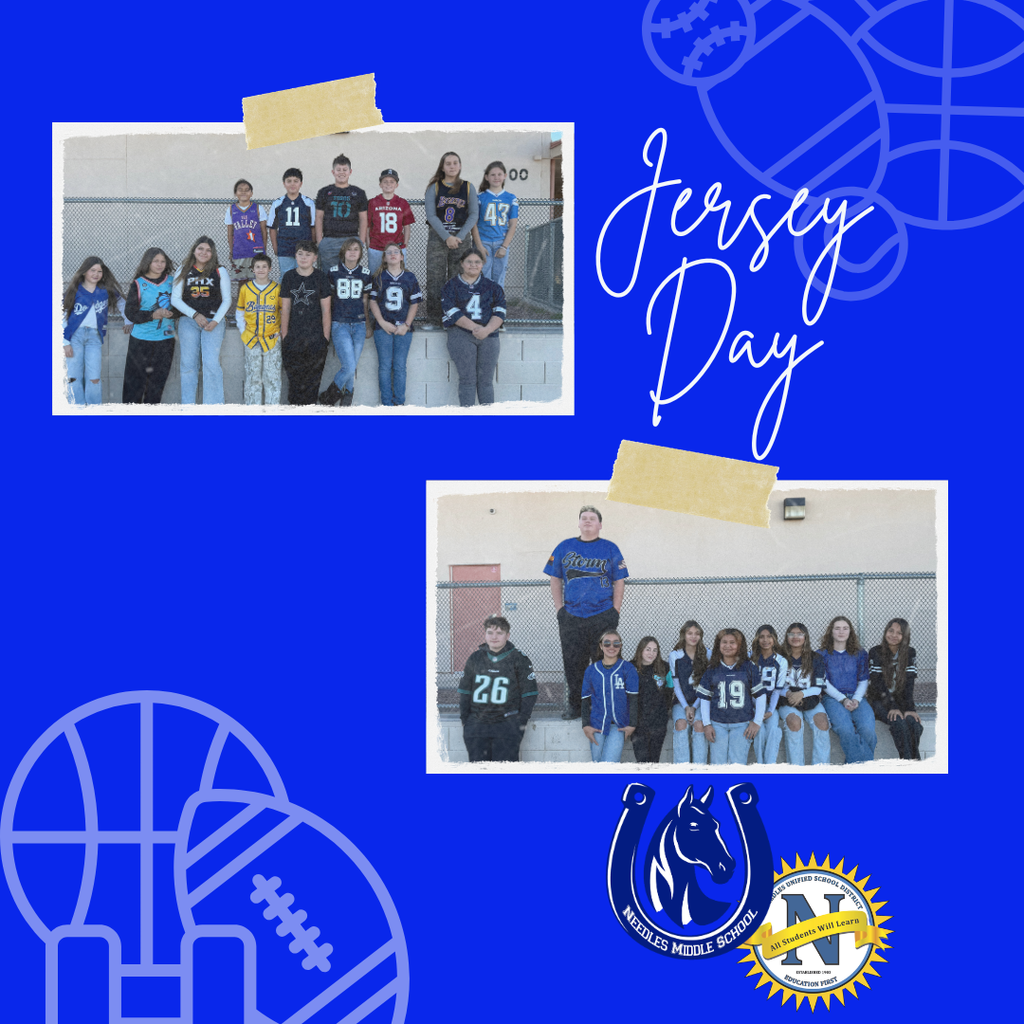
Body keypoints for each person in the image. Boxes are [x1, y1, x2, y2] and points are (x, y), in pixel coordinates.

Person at [544, 506, 629, 721]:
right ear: (579, 523)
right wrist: (559, 609)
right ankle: (577, 707)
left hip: (602, 615)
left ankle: (606, 707)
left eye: (593, 518)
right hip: (572, 615)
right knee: (573, 664)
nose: (588, 521)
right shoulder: (565, 547)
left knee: (604, 662)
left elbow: (620, 580)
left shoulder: (610, 548)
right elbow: (555, 578)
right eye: (584, 518)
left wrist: (615, 610)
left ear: (600, 524)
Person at [457, 615, 538, 762]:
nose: (494, 637)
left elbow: (529, 693)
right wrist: (466, 720)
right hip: (477, 725)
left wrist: (520, 722)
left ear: (507, 635)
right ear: (485, 634)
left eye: (499, 633)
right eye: (490, 632)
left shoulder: (519, 658)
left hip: (507, 724)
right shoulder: (475, 658)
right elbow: (465, 692)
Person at [441, 248, 506, 406]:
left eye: (477, 262)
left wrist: (487, 330)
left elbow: (500, 312)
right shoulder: (451, 286)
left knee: (486, 382)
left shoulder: (493, 287)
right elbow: (452, 312)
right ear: (462, 264)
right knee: (468, 380)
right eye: (469, 262)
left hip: (489, 336)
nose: (473, 265)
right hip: (461, 335)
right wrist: (476, 329)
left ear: (483, 265)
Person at [172, 236, 232, 405]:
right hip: (189, 321)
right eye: (201, 249)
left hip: (214, 322)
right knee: (188, 365)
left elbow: (227, 300)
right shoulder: (183, 269)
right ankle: (188, 408)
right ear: (194, 250)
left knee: (211, 364)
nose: (204, 253)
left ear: (213, 253)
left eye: (208, 250)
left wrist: (216, 321)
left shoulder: (220, 271)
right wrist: (195, 315)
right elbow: (175, 299)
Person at [423, 152, 478, 328]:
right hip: (438, 238)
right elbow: (431, 215)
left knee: (459, 278)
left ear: (460, 166)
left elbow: (474, 215)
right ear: (442, 166)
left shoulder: (468, 187)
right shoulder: (434, 187)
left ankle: (457, 319)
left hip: (461, 239)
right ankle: (434, 319)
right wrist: (447, 237)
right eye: (448, 163)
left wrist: (459, 237)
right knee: (435, 279)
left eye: (455, 163)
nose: (452, 166)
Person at [696, 628, 765, 766]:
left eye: (732, 642)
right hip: (717, 723)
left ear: (740, 645)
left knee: (738, 763)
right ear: (718, 645)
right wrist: (707, 724)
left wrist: (757, 722)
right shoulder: (712, 669)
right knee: (718, 763)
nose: (728, 646)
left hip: (741, 724)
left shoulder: (749, 667)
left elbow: (760, 696)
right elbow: (705, 699)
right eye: (724, 642)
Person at [319, 239, 374, 408]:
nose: (352, 252)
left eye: (355, 249)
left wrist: (367, 323)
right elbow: (328, 301)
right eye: (349, 249)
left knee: (352, 366)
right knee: (349, 367)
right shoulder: (333, 272)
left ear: (360, 253)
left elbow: (365, 301)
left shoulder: (365, 273)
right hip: (340, 322)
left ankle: (346, 400)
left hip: (358, 324)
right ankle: (329, 397)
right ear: (343, 252)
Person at [62, 256, 122, 406]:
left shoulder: (104, 291)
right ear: (84, 272)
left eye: (99, 271)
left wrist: (129, 320)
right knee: (73, 376)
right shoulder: (75, 290)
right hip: (74, 337)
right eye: (92, 270)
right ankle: (77, 410)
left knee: (94, 377)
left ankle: (94, 411)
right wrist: (64, 341)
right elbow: (61, 315)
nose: (96, 274)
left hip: (94, 338)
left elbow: (121, 302)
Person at [279, 240, 332, 405]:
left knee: (312, 382)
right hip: (293, 337)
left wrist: (325, 337)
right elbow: (285, 309)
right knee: (294, 381)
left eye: (308, 255)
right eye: (300, 254)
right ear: (295, 256)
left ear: (315, 258)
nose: (303, 258)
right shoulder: (289, 277)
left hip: (315, 338)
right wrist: (284, 335)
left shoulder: (321, 278)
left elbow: (326, 310)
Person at [368, 243, 421, 406]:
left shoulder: (410, 277)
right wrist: (382, 322)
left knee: (399, 366)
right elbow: (372, 302)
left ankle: (399, 403)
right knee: (384, 366)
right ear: (384, 258)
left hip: (403, 328)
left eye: (396, 252)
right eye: (388, 252)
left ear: (402, 256)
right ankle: (386, 404)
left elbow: (414, 303)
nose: (392, 254)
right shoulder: (379, 277)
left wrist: (406, 324)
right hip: (383, 327)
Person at [818, 615, 876, 764]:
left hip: (857, 696)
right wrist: (842, 699)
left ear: (850, 632)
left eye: (845, 628)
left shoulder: (860, 653)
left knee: (868, 731)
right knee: (846, 731)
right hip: (832, 698)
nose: (841, 632)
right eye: (837, 628)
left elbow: (863, 680)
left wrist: (856, 699)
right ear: (831, 631)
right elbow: (823, 682)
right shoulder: (821, 654)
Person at [122, 248, 177, 404]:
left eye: (162, 261)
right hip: (140, 341)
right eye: (155, 261)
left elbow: (181, 307)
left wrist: (172, 313)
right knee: (134, 386)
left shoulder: (173, 281)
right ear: (148, 262)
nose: (159, 264)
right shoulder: (138, 284)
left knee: (156, 386)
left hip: (165, 341)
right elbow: (130, 313)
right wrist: (153, 315)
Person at [867, 618, 923, 760]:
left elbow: (909, 684)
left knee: (914, 724)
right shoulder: (875, 651)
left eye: (899, 633)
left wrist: (910, 709)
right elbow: (877, 684)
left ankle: (913, 763)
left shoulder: (910, 652)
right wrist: (892, 706)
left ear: (905, 636)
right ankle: (911, 764)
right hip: (879, 701)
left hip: (900, 701)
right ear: (886, 632)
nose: (894, 635)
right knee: (898, 722)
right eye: (891, 630)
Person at [581, 630, 638, 763]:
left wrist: (632, 724)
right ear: (601, 646)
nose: (611, 647)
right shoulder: (591, 670)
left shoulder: (628, 668)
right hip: (597, 723)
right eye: (607, 643)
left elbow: (633, 699)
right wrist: (585, 725)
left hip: (619, 725)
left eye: (616, 643)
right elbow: (585, 700)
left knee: (609, 765)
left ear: (620, 646)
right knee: (597, 765)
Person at [779, 622, 832, 766]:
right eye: (791, 634)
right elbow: (775, 685)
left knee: (822, 722)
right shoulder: (779, 657)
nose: (795, 637)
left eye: (800, 634)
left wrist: (801, 694)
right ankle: (797, 771)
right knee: (794, 722)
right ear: (787, 636)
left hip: (810, 698)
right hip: (786, 699)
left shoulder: (816, 658)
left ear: (806, 637)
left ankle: (820, 770)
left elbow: (818, 687)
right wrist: (788, 693)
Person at [235, 254, 281, 405]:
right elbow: (240, 312)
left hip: (271, 339)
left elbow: (282, 311)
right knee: (253, 377)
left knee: (272, 377)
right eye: (257, 267)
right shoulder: (246, 289)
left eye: (264, 267)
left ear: (270, 269)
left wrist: (279, 331)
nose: (261, 270)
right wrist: (243, 331)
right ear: (252, 269)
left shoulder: (277, 289)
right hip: (251, 339)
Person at [314, 154, 368, 271]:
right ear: (333, 172)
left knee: (350, 274)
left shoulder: (359, 193)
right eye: (338, 170)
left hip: (351, 239)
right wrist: (320, 241)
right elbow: (318, 217)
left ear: (350, 171)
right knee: (328, 276)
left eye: (345, 169)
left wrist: (361, 241)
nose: (341, 172)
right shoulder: (324, 192)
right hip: (330, 239)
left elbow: (363, 218)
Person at [667, 621, 709, 765]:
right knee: (680, 724)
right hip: (681, 702)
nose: (693, 637)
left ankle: (699, 769)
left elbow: (705, 686)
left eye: (697, 634)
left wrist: (694, 707)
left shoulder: (706, 654)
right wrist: (686, 707)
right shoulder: (675, 655)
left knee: (699, 725)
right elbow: (676, 686)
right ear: (683, 635)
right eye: (690, 633)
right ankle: (682, 769)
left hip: (700, 701)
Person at [472, 161, 519, 286]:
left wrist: (504, 246)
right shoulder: (480, 197)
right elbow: (473, 224)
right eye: (493, 175)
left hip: (501, 242)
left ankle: (498, 305)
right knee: (482, 276)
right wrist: (479, 246)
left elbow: (513, 225)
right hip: (483, 241)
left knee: (499, 277)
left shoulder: (511, 198)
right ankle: (484, 305)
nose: (496, 177)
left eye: (499, 174)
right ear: (487, 177)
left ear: (505, 176)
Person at [751, 625, 789, 765]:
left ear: (774, 639)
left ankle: (770, 766)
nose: (765, 640)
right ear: (757, 639)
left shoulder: (781, 661)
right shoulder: (751, 658)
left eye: (769, 636)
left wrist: (770, 710)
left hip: (772, 703)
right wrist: (757, 709)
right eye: (761, 637)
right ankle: (760, 765)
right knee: (759, 730)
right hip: (754, 703)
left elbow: (778, 689)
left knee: (773, 729)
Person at [267, 168, 315, 278]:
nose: (292, 184)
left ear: (301, 183)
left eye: (296, 181)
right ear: (284, 183)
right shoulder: (278, 203)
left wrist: (312, 246)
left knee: (304, 275)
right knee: (286, 276)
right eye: (289, 181)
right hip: (285, 247)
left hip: (304, 247)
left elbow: (313, 226)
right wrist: (275, 247)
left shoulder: (308, 203)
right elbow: (273, 228)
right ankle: (285, 296)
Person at [631, 637, 672, 763]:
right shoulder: (630, 668)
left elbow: (669, 691)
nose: (651, 653)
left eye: (655, 650)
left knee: (654, 761)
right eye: (648, 649)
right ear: (641, 650)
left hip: (658, 723)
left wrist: (664, 711)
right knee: (642, 761)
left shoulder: (665, 668)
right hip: (638, 723)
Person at [367, 169, 415, 274]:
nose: (388, 184)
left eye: (392, 181)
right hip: (376, 247)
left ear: (396, 185)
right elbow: (367, 226)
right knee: (375, 278)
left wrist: (404, 245)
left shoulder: (402, 203)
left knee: (398, 276)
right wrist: (369, 245)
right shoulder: (372, 202)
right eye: (385, 181)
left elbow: (407, 227)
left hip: (397, 248)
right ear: (380, 184)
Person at [224, 179, 267, 294]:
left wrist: (264, 250)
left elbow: (264, 231)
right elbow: (230, 233)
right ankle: (241, 310)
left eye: (247, 190)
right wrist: (231, 251)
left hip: (255, 252)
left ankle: (256, 309)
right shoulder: (231, 210)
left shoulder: (258, 208)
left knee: (258, 282)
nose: (243, 192)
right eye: (240, 190)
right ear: (235, 193)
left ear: (251, 193)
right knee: (242, 283)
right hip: (239, 252)